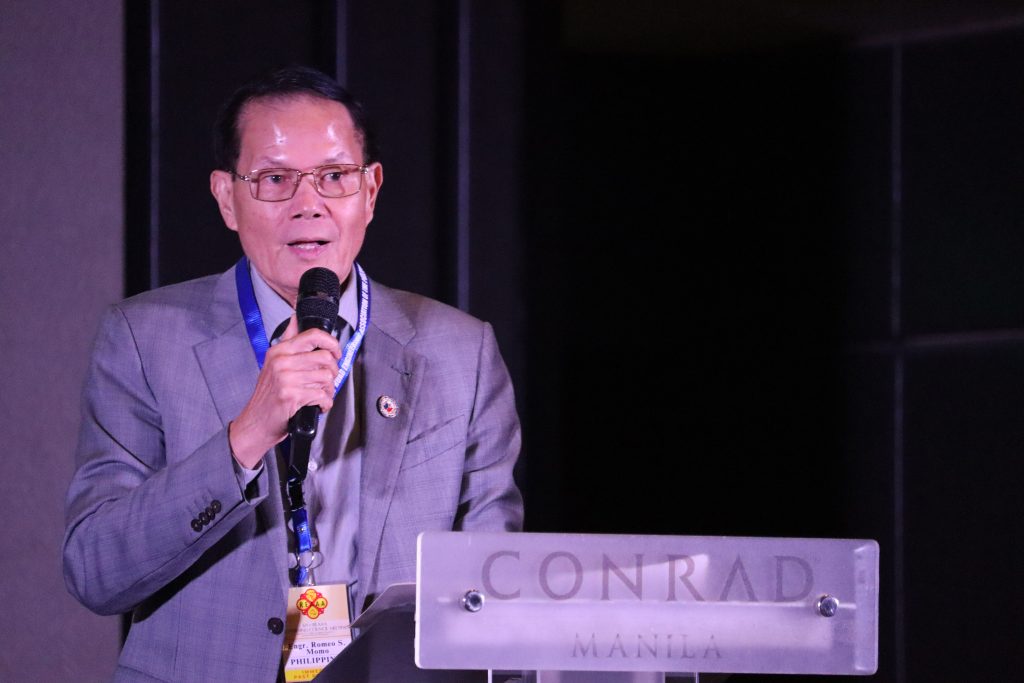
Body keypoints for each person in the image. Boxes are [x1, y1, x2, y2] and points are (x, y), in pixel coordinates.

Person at [63, 66, 523, 682]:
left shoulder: (461, 352)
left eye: (334, 177)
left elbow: (491, 588)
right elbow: (95, 571)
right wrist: (246, 437)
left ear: (370, 190)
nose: (309, 205)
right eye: (275, 180)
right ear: (226, 198)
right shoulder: (144, 340)